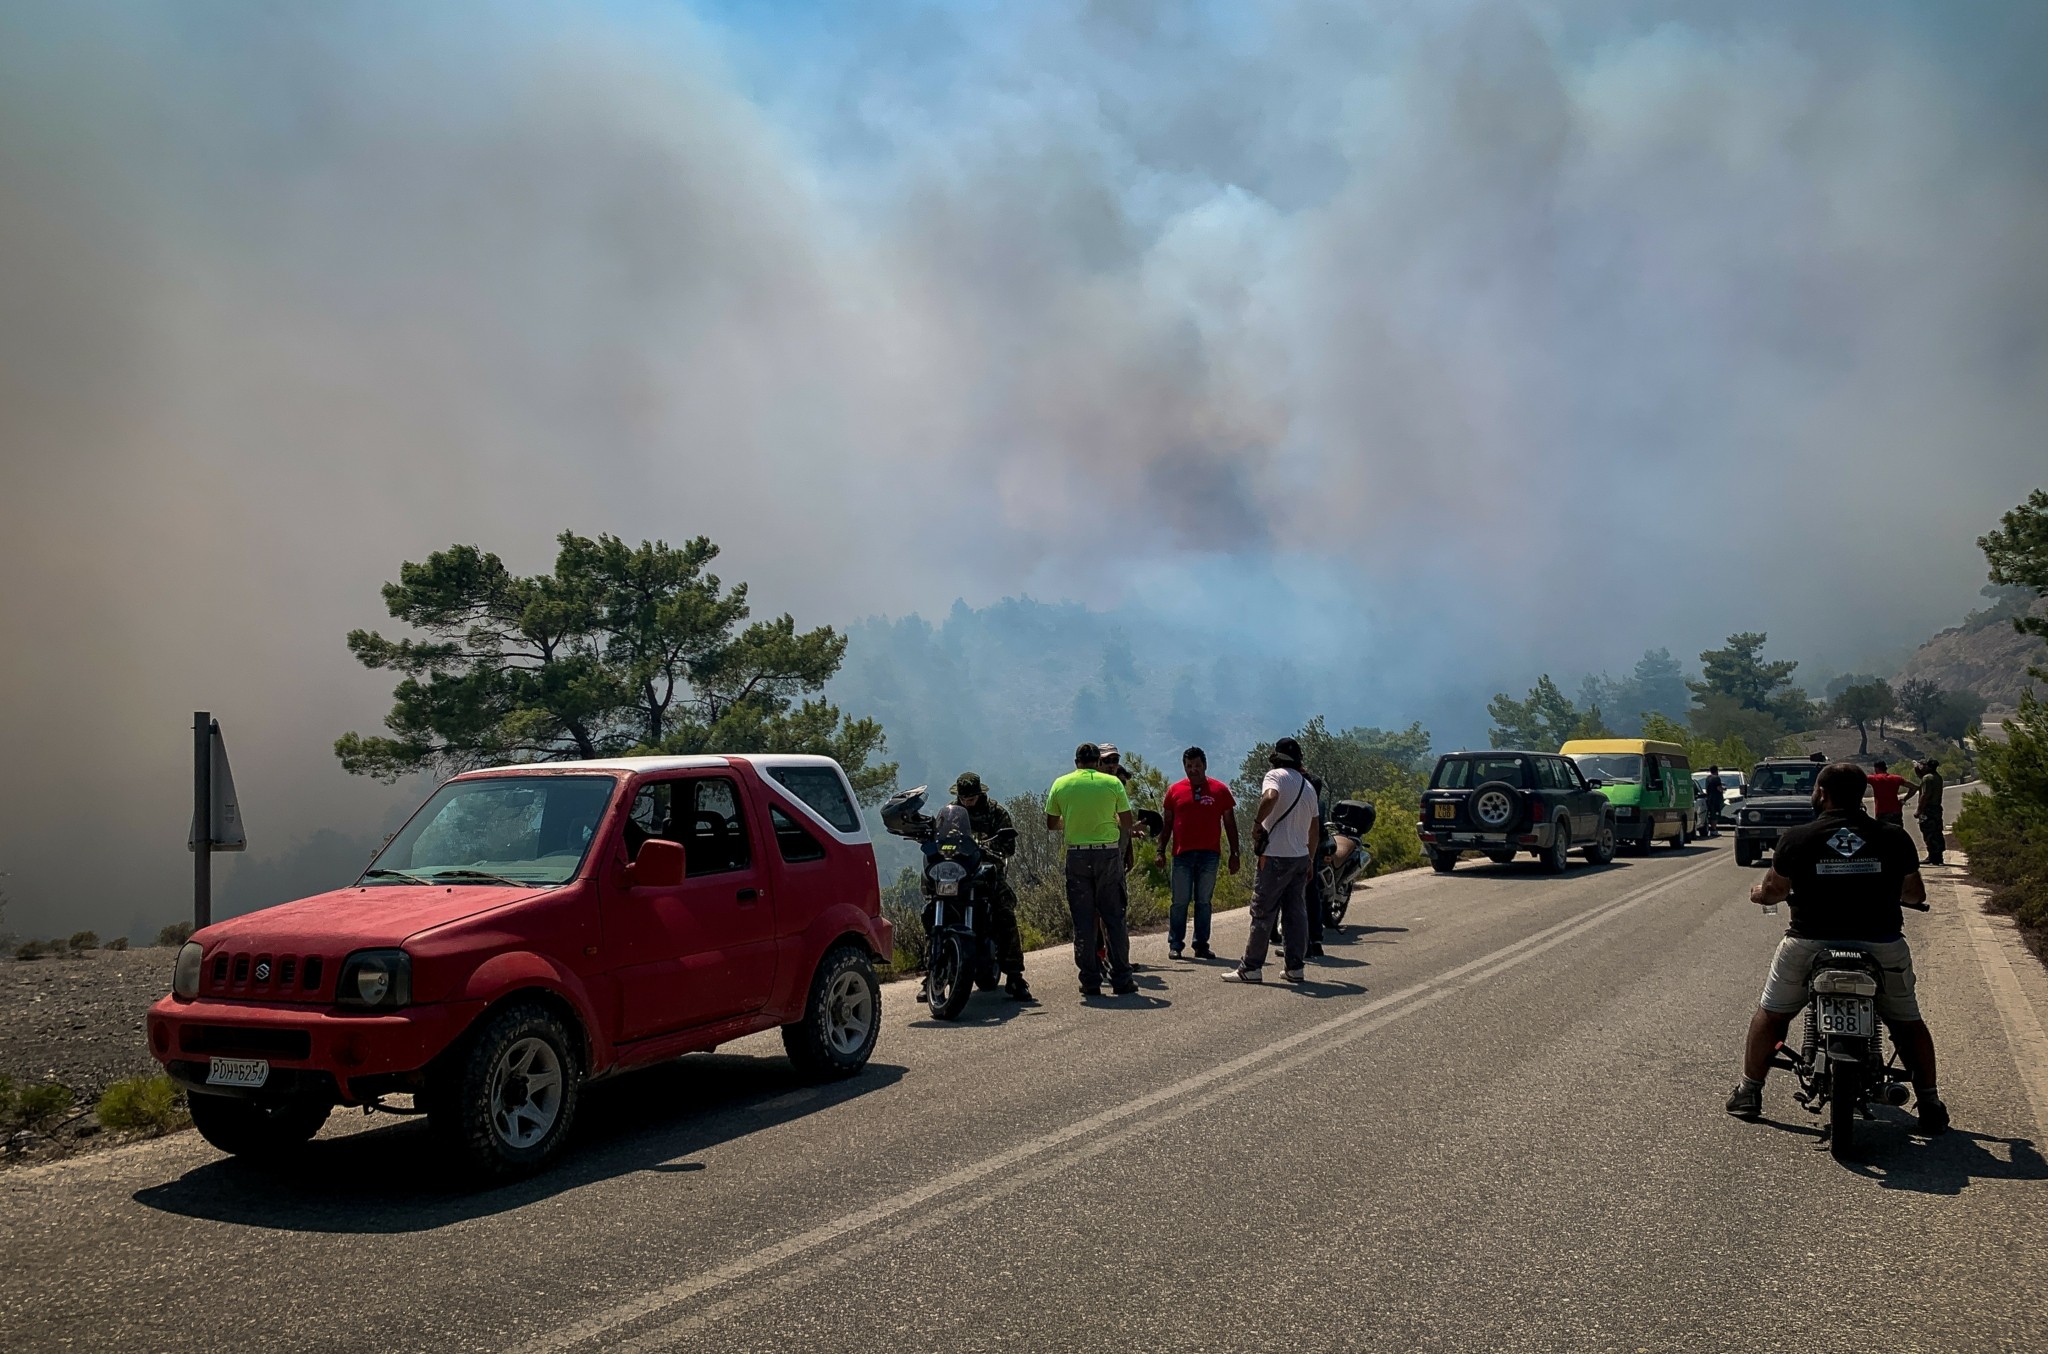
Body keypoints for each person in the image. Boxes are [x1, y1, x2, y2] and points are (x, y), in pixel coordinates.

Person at [1724, 761, 1947, 1134]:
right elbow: (1913, 893)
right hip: (1881, 943)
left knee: (1773, 1013)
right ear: (1863, 795)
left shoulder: (1797, 837)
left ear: (1822, 793)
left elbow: (1775, 891)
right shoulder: (1893, 837)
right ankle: (1929, 1101)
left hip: (1809, 942)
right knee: (1907, 1022)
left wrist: (1759, 894)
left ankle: (1749, 1092)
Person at [1223, 736, 1320, 985]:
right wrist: (1310, 859)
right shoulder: (1308, 786)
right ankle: (1295, 967)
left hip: (1275, 857)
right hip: (1300, 857)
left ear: (1276, 758)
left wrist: (1257, 823)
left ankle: (1251, 967)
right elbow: (1314, 829)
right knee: (1295, 914)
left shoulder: (1275, 776)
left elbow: (1270, 797)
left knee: (1263, 912)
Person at [1046, 743, 1138, 997]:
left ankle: (1090, 980)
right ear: (1098, 762)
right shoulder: (1112, 784)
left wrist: (1073, 821)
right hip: (1107, 853)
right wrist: (1112, 819)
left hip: (1076, 854)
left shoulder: (1061, 784)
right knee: (1114, 918)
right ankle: (1121, 978)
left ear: (1076, 762)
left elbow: (1052, 823)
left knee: (1084, 920)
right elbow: (1128, 822)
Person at [951, 772, 1031, 1001]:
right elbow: (941, 835)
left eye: (971, 798)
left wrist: (991, 845)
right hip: (958, 871)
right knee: (934, 905)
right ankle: (934, 971)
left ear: (980, 794)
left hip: (988, 871)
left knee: (1005, 912)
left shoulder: (996, 812)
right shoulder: (952, 812)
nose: (967, 802)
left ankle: (1015, 977)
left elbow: (1009, 847)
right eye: (963, 798)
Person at [1157, 747, 1240, 960]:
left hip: (1209, 855)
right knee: (1179, 901)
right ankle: (1175, 944)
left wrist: (1235, 853)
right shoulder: (1174, 791)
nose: (1193, 770)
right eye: (1189, 766)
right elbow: (1167, 824)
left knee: (1204, 901)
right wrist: (1160, 851)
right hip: (1182, 854)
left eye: (1197, 766)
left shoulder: (1220, 790)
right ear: (1184, 767)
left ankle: (1201, 944)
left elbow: (1230, 824)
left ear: (1205, 765)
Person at [1866, 759, 1916, 830]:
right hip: (1896, 811)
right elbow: (1914, 787)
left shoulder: (1874, 778)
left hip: (1882, 812)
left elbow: (1859, 778)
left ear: (1876, 768)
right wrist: (1904, 799)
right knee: (1898, 833)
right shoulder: (1897, 778)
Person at [1914, 759, 1946, 866]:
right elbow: (1921, 778)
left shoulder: (1927, 778)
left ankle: (1933, 857)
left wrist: (1919, 810)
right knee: (1936, 831)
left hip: (1928, 809)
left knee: (1929, 832)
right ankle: (1938, 857)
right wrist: (1917, 768)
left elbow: (1925, 795)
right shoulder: (1937, 777)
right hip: (1936, 808)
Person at [1698, 766, 1726, 838]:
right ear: (1716, 771)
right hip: (1716, 799)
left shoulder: (1708, 778)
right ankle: (1713, 830)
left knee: (1711, 814)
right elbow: (1719, 788)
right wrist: (1723, 789)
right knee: (1715, 815)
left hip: (1709, 799)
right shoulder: (1716, 778)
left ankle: (1712, 829)